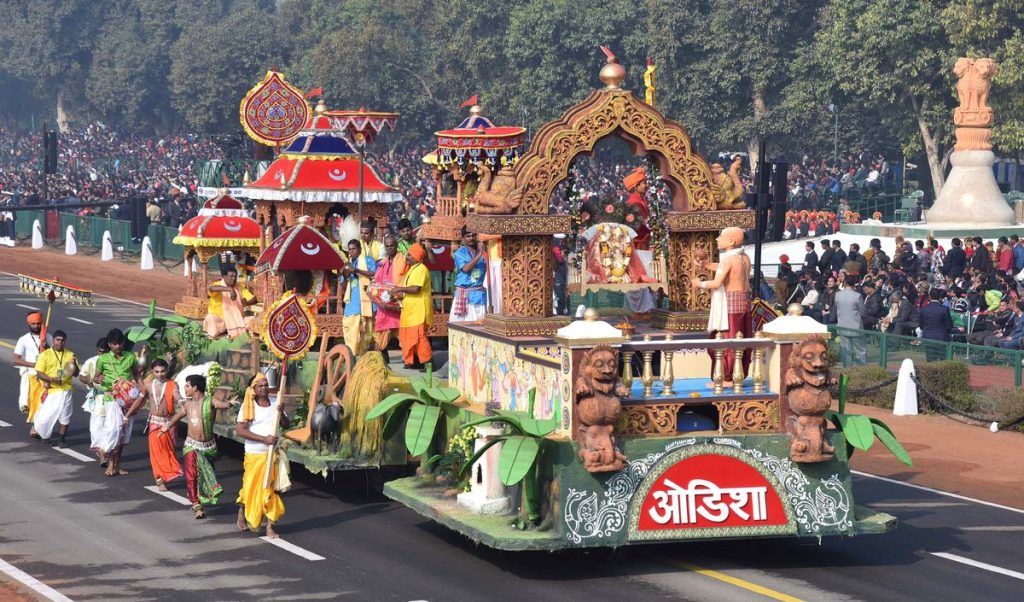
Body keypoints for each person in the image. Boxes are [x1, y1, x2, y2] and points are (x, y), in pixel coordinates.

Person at [163, 374, 233, 519]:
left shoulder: (210, 401)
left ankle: (199, 496)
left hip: (208, 447)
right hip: (191, 445)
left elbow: (220, 404)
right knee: (192, 475)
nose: (185, 388)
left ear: (195, 387)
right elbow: (178, 416)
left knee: (205, 475)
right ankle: (196, 505)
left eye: (187, 386)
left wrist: (228, 404)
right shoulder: (187, 405)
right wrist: (167, 426)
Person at [692, 227, 751, 386]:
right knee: (740, 339)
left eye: (721, 236)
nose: (717, 239)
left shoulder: (728, 259)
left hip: (730, 305)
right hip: (742, 303)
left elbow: (717, 283)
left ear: (731, 241)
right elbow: (726, 269)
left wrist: (699, 283)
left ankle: (727, 377)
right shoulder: (744, 257)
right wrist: (706, 265)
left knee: (727, 341)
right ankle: (736, 375)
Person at [235, 374, 290, 537]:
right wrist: (264, 439)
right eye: (260, 386)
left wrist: (282, 412)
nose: (264, 388)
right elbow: (241, 430)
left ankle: (270, 526)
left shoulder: (276, 402)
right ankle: (243, 508)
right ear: (253, 389)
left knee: (273, 490)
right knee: (250, 487)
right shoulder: (248, 406)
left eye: (266, 385)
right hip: (255, 454)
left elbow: (286, 425)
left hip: (274, 454)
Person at [91, 329, 146, 477]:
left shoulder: (130, 357)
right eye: (114, 344)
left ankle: (116, 465)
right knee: (115, 430)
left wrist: (142, 388)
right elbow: (95, 377)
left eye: (120, 343)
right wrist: (98, 379)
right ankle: (107, 458)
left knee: (123, 435)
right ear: (109, 344)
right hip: (112, 398)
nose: (118, 346)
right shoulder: (103, 359)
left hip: (128, 400)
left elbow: (136, 373)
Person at [31, 330, 79, 447]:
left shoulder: (70, 355)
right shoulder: (45, 355)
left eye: (62, 340)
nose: (60, 342)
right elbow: (39, 373)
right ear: (53, 341)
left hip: (66, 389)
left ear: (65, 342)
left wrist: (74, 365)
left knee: (65, 416)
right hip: (51, 390)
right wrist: (51, 379)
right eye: (58, 340)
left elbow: (76, 374)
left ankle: (62, 440)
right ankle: (44, 435)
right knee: (45, 417)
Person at [146, 359, 182, 492]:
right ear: (152, 371)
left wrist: (182, 401)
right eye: (157, 371)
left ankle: (168, 473)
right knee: (156, 453)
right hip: (155, 423)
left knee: (168, 452)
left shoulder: (172, 384)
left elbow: (176, 395)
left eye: (162, 371)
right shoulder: (148, 385)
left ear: (167, 370)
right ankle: (159, 480)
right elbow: (139, 400)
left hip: (169, 423)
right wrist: (127, 415)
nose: (160, 374)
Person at [395, 243, 434, 370]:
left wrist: (399, 289)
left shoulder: (421, 269)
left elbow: (416, 289)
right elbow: (408, 291)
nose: (407, 257)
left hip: (419, 311)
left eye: (410, 255)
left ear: (417, 257)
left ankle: (428, 363)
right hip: (409, 311)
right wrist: (396, 296)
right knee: (408, 337)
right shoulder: (411, 269)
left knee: (420, 337)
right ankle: (414, 361)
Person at [14, 311, 52, 426]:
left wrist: (46, 346)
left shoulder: (48, 337)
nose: (36, 326)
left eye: (38, 323)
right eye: (33, 324)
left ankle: (38, 428)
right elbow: (16, 359)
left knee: (45, 404)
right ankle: (36, 427)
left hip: (46, 376)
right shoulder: (23, 339)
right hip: (32, 376)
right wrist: (33, 365)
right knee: (34, 403)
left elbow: (55, 354)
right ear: (29, 324)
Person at [342, 238, 377, 355]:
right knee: (350, 332)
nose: (351, 252)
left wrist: (356, 270)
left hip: (364, 302)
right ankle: (352, 356)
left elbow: (374, 274)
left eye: (354, 249)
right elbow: (343, 285)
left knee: (364, 334)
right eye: (349, 250)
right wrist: (345, 274)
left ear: (360, 249)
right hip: (351, 303)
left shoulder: (368, 261)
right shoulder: (348, 264)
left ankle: (360, 356)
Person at [203, 264, 258, 339]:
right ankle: (225, 330)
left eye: (235, 276)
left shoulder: (239, 287)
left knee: (253, 320)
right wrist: (229, 289)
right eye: (231, 276)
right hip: (220, 320)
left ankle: (231, 330)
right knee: (210, 318)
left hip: (237, 319)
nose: (233, 278)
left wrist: (245, 303)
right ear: (224, 276)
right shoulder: (218, 285)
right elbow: (211, 288)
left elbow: (254, 299)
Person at [372, 234, 402, 363]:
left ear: (396, 246)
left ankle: (413, 360)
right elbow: (377, 281)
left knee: (404, 333)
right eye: (387, 246)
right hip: (384, 304)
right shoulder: (382, 263)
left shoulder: (403, 261)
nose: (390, 248)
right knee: (381, 332)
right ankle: (382, 358)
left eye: (392, 245)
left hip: (397, 302)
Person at [79, 338, 109, 463]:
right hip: (97, 398)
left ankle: (107, 452)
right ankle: (102, 453)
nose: (102, 354)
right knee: (97, 427)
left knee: (111, 428)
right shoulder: (91, 361)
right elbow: (82, 376)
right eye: (100, 352)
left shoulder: (114, 362)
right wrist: (90, 381)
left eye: (105, 352)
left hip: (112, 397)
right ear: (97, 350)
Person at [451, 227, 487, 323]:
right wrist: (479, 254)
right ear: (463, 238)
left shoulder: (484, 252)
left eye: (473, 235)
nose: (471, 238)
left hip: (479, 295)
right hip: (464, 296)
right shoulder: (459, 253)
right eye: (468, 236)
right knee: (462, 328)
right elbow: (466, 269)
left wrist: (482, 252)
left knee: (480, 327)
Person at [919, 288, 953, 360]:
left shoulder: (924, 309)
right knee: (942, 361)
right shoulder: (944, 309)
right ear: (940, 297)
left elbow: (921, 325)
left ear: (930, 297)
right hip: (941, 338)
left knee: (931, 361)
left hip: (928, 337)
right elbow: (949, 325)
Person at [623, 167, 651, 250]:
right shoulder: (634, 203)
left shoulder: (640, 200)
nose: (647, 185)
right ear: (636, 186)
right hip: (638, 245)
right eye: (644, 183)